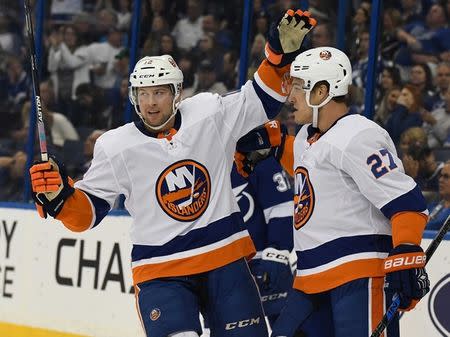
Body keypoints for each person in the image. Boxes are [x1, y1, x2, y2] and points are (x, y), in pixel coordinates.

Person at [28, 9, 317, 337]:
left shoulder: (208, 113)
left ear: (177, 94)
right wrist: (60, 197)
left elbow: (260, 99)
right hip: (160, 271)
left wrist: (277, 58)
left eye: (160, 92)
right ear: (134, 96)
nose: (151, 102)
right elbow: (86, 214)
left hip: (224, 259)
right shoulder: (116, 146)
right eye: (144, 93)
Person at [235, 46, 430, 337]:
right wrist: (275, 144)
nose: (291, 96)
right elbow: (314, 168)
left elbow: (406, 202)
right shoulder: (307, 135)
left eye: (299, 86)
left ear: (321, 91)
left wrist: (406, 250)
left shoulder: (359, 135)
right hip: (310, 280)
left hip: (359, 276)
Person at [232, 153, 294, 328]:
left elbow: (281, 206)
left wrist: (277, 252)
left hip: (266, 265)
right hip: (228, 271)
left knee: (289, 327)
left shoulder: (251, 156)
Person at [426, 160, 450, 230]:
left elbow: (440, 224)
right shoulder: (432, 206)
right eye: (441, 176)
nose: (440, 180)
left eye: (446, 177)